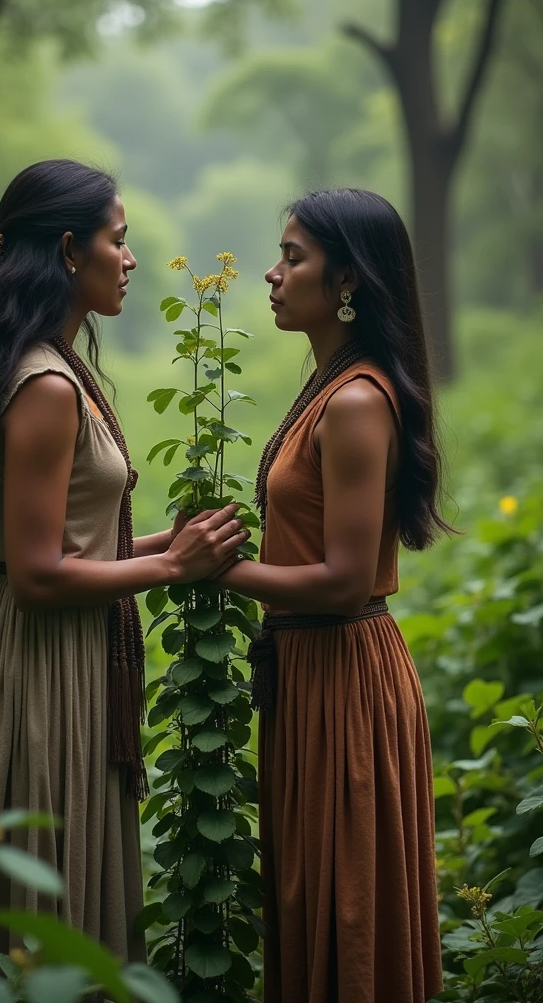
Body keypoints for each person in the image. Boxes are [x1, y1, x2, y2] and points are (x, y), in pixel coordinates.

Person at [0, 159, 249, 969]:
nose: (131, 258)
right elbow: (39, 578)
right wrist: (173, 570)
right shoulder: (46, 385)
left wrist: (176, 548)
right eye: (120, 240)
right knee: (47, 913)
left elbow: (71, 548)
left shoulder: (51, 364)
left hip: (58, 651)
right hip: (45, 664)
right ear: (71, 251)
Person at [217, 188, 447, 1002]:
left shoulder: (354, 401)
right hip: (309, 673)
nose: (274, 276)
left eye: (294, 258)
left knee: (347, 908)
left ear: (346, 278)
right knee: (311, 897)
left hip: (344, 678)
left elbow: (346, 581)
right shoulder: (332, 383)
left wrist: (212, 569)